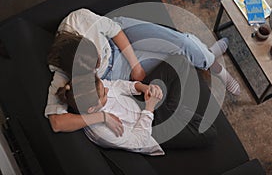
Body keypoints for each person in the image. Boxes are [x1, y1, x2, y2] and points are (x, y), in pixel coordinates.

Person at [48, 8, 240, 96]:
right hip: (115, 73)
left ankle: (216, 68)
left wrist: (136, 65)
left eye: (97, 58)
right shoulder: (60, 70)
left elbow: (115, 31)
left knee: (182, 42)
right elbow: (56, 118)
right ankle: (208, 56)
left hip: (120, 35)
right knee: (179, 58)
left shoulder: (79, 19)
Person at [52, 55, 217, 155]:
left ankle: (171, 109)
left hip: (141, 100)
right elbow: (138, 141)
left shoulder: (94, 87)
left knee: (179, 60)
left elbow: (121, 85)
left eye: (103, 87)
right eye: (103, 95)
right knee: (209, 133)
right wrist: (150, 107)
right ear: (92, 109)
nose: (108, 90)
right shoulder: (102, 132)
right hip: (152, 127)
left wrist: (145, 87)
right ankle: (172, 110)